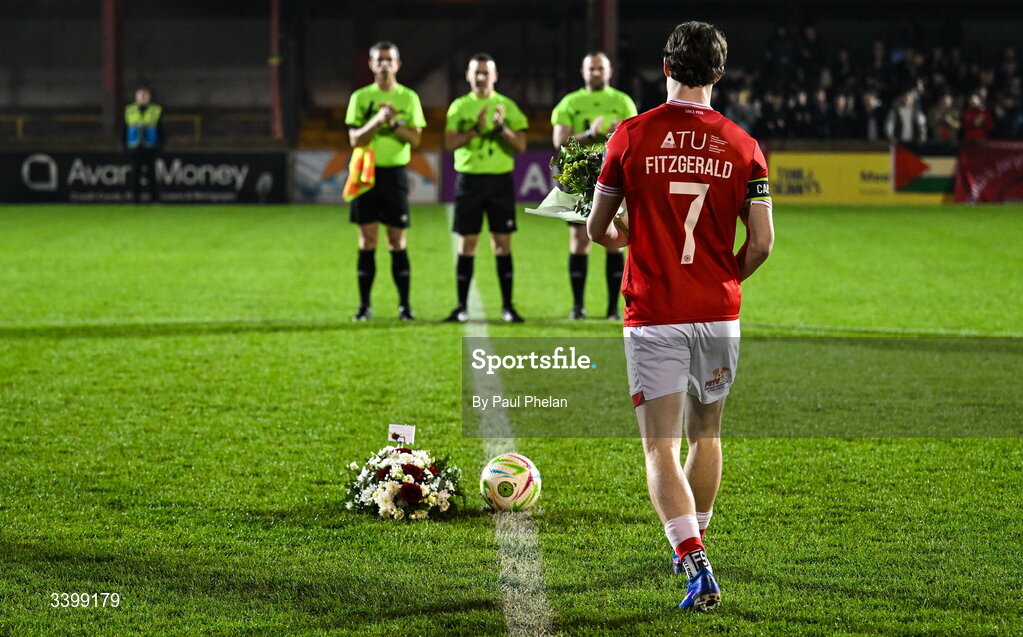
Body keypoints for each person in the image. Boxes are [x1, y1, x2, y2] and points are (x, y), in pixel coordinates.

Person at [587, 21, 774, 612]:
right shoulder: (745, 146)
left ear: (664, 68)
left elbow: (598, 229)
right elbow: (763, 243)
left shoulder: (631, 135)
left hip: (655, 313)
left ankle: (693, 560)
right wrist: (719, 283)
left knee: (659, 448)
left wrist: (621, 238)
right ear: (719, 74)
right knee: (708, 433)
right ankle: (696, 547)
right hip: (718, 314)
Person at [551, 52, 638, 320]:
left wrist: (616, 135)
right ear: (583, 71)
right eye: (592, 69)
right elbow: (560, 143)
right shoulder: (570, 102)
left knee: (616, 241)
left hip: (614, 179)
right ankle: (578, 307)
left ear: (610, 71)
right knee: (579, 242)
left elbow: (635, 141)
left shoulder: (623, 101)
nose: (596, 73)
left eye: (601, 68)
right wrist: (589, 133)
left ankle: (613, 309)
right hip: (579, 179)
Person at [444, 54, 528, 323]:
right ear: (468, 76)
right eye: (476, 73)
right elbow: (450, 143)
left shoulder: (507, 106)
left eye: (485, 73)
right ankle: (460, 307)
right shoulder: (459, 107)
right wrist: (477, 129)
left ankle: (507, 307)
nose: (481, 77)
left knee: (502, 243)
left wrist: (502, 128)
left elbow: (521, 145)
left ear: (495, 76)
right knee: (467, 243)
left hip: (499, 181)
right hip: (469, 181)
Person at [345, 41, 426, 321]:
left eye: (388, 60)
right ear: (370, 65)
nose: (384, 65)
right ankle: (364, 307)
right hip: (366, 174)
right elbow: (355, 138)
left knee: (396, 241)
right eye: (378, 60)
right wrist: (378, 119)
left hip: (394, 175)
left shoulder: (408, 98)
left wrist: (393, 124)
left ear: (397, 64)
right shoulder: (360, 97)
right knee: (367, 240)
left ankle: (405, 306)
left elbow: (415, 139)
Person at [123, 87, 164, 203]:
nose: (143, 98)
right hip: (135, 148)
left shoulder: (156, 110)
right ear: (136, 97)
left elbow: (162, 130)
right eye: (140, 95)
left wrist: (160, 147)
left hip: (150, 148)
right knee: (135, 174)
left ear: (149, 97)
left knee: (152, 175)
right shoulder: (129, 110)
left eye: (145, 95)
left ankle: (154, 199)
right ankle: (135, 199)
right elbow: (123, 130)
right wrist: (125, 147)